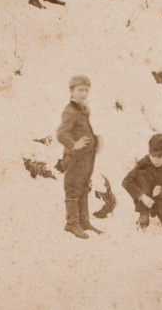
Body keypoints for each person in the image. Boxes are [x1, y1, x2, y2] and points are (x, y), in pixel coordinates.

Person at [55, 75, 102, 239]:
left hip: (87, 157)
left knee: (84, 187)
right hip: (75, 157)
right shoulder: (70, 110)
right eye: (80, 90)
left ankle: (84, 221)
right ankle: (72, 223)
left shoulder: (83, 108)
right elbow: (61, 134)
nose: (83, 93)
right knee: (73, 187)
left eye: (86, 90)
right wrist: (74, 144)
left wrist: (96, 142)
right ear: (72, 91)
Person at [122, 134, 162, 230]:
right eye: (153, 156)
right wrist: (142, 196)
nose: (155, 160)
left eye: (160, 157)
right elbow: (127, 181)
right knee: (140, 173)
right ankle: (144, 213)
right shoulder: (145, 161)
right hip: (147, 200)